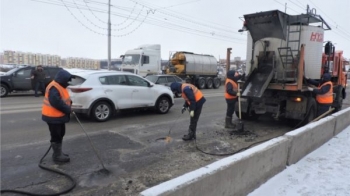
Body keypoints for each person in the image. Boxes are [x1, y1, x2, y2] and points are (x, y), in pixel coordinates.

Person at [42, 69, 73, 163]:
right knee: (56, 136)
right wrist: (68, 109)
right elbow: (56, 102)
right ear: (62, 79)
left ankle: (58, 153)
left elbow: (63, 99)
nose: (68, 82)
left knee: (60, 134)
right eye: (67, 80)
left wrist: (69, 104)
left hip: (58, 116)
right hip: (53, 117)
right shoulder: (54, 87)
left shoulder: (60, 86)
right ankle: (57, 156)